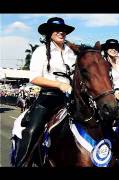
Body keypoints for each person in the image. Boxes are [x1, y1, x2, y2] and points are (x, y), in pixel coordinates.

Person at [14, 17, 76, 167]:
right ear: (49, 33)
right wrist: (60, 85)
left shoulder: (72, 53)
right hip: (48, 98)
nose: (61, 32)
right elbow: (34, 78)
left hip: (70, 99)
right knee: (32, 131)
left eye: (64, 30)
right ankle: (21, 164)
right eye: (57, 30)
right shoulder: (40, 51)